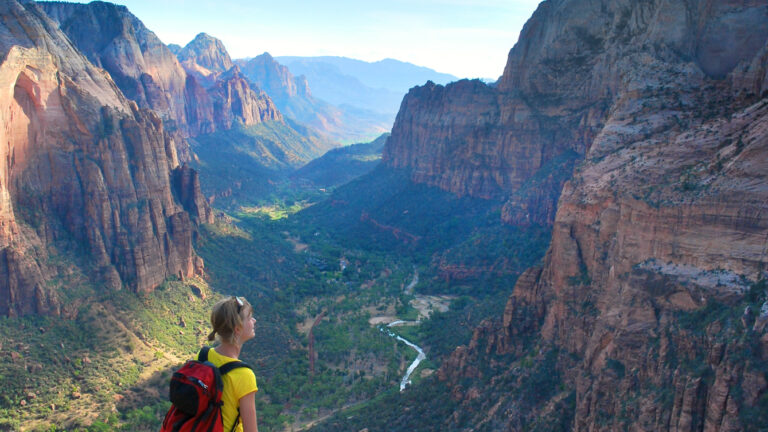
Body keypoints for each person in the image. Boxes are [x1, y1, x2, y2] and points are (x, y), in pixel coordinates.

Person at [207, 296, 259, 432]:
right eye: (249, 318)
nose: (254, 321)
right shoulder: (244, 375)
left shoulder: (203, 356)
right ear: (237, 329)